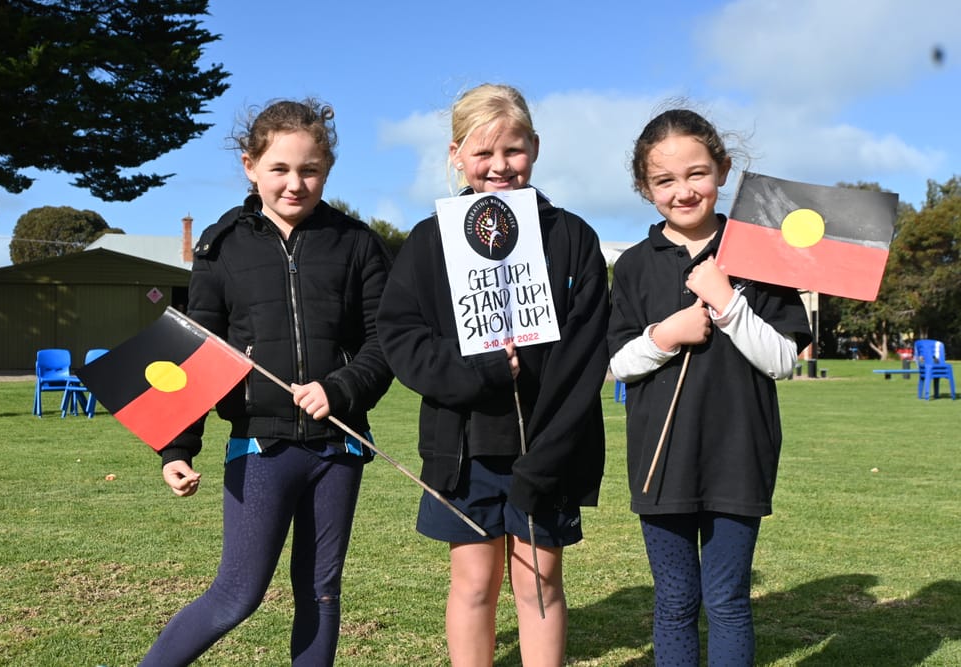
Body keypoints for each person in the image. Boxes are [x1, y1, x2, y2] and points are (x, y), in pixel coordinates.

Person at [138, 99, 393, 666]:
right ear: (251, 165)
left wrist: (341, 388)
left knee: (321, 593)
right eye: (279, 169)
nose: (295, 183)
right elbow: (193, 354)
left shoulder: (358, 243)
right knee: (237, 596)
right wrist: (176, 447)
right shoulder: (221, 244)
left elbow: (384, 343)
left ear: (327, 170)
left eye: (310, 170)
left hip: (338, 446)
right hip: (259, 448)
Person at [376, 83, 609, 666]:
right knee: (475, 585)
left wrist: (551, 447)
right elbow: (402, 338)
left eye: (513, 150)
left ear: (535, 147)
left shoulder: (573, 237)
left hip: (548, 442)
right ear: (456, 154)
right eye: (483, 154)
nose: (499, 166)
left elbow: (585, 354)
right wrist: (474, 370)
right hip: (464, 447)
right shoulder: (429, 241)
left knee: (538, 585)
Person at [607, 108, 813, 666]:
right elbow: (619, 364)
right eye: (664, 181)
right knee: (675, 602)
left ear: (722, 170)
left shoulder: (762, 255)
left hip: (738, 457)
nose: (683, 191)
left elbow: (784, 361)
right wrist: (666, 334)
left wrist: (727, 303)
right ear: (645, 187)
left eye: (697, 173)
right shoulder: (632, 266)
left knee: (726, 601)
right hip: (661, 460)